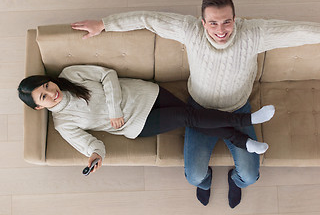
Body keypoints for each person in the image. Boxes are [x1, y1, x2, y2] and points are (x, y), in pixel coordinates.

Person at [70, 0, 320, 208]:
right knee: (194, 176)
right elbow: (149, 19)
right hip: (200, 111)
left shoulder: (254, 33)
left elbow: (297, 31)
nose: (220, 30)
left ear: (235, 19)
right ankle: (207, 180)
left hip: (239, 109)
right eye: (213, 23)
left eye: (227, 22)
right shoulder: (189, 30)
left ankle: (235, 180)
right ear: (202, 22)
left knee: (250, 176)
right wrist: (104, 23)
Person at [18, 65, 274, 172]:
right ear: (40, 108)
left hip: (146, 93)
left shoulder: (69, 74)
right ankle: (245, 122)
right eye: (43, 97)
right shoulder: (63, 124)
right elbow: (89, 144)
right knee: (188, 116)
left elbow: (108, 75)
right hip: (137, 123)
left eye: (47, 85)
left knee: (193, 117)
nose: (52, 93)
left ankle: (241, 140)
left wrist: (114, 108)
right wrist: (96, 156)